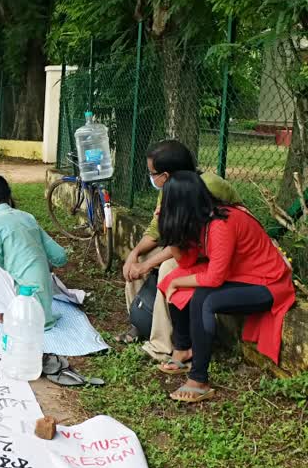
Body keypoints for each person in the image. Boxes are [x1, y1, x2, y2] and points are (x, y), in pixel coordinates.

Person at [155, 172, 294, 403]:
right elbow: (186, 263)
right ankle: (184, 349)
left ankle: (199, 379)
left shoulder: (221, 224)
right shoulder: (200, 221)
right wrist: (165, 229)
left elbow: (214, 279)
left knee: (203, 298)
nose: (163, 207)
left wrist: (179, 281)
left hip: (269, 283)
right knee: (173, 277)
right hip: (240, 276)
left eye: (167, 203)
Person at [120, 139, 242, 360]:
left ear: (165, 175)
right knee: (141, 260)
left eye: (152, 173)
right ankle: (140, 322)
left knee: (167, 267)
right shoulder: (169, 188)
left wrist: (148, 264)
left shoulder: (208, 186)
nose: (151, 178)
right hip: (189, 245)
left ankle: (163, 344)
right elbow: (156, 230)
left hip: (212, 251)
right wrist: (134, 255)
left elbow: (188, 239)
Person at [0, 173, 67, 324]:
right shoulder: (28, 217)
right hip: (44, 312)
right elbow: (60, 256)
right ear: (8, 195)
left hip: (24, 312)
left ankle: (0, 311)